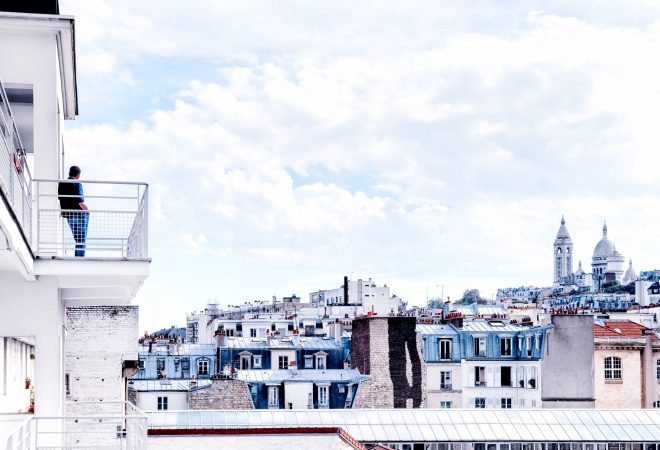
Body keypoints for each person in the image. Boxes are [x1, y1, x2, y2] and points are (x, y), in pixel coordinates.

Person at [58, 166, 89, 257]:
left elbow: (60, 199)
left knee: (78, 239)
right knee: (81, 239)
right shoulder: (77, 183)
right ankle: (79, 259)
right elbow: (80, 201)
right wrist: (88, 211)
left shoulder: (62, 184)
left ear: (69, 173)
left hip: (69, 216)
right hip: (79, 215)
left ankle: (78, 258)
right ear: (78, 174)